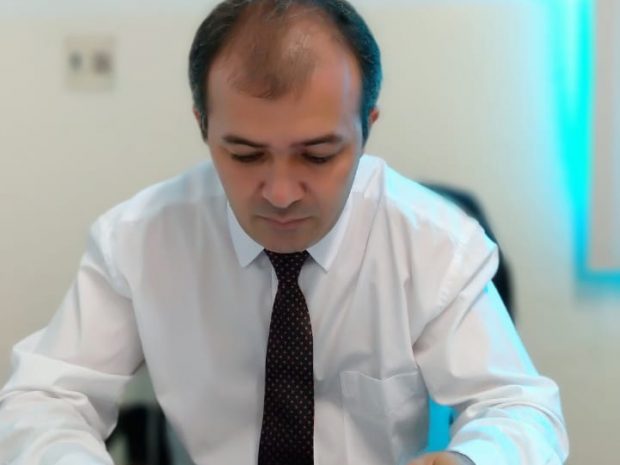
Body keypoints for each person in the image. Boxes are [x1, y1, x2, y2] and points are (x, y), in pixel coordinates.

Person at [0, 1, 569, 464]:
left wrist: (472, 460)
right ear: (204, 126)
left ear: (366, 129)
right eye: (245, 155)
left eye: (317, 156)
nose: (279, 192)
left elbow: (517, 407)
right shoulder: (139, 240)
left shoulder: (433, 243)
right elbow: (45, 398)